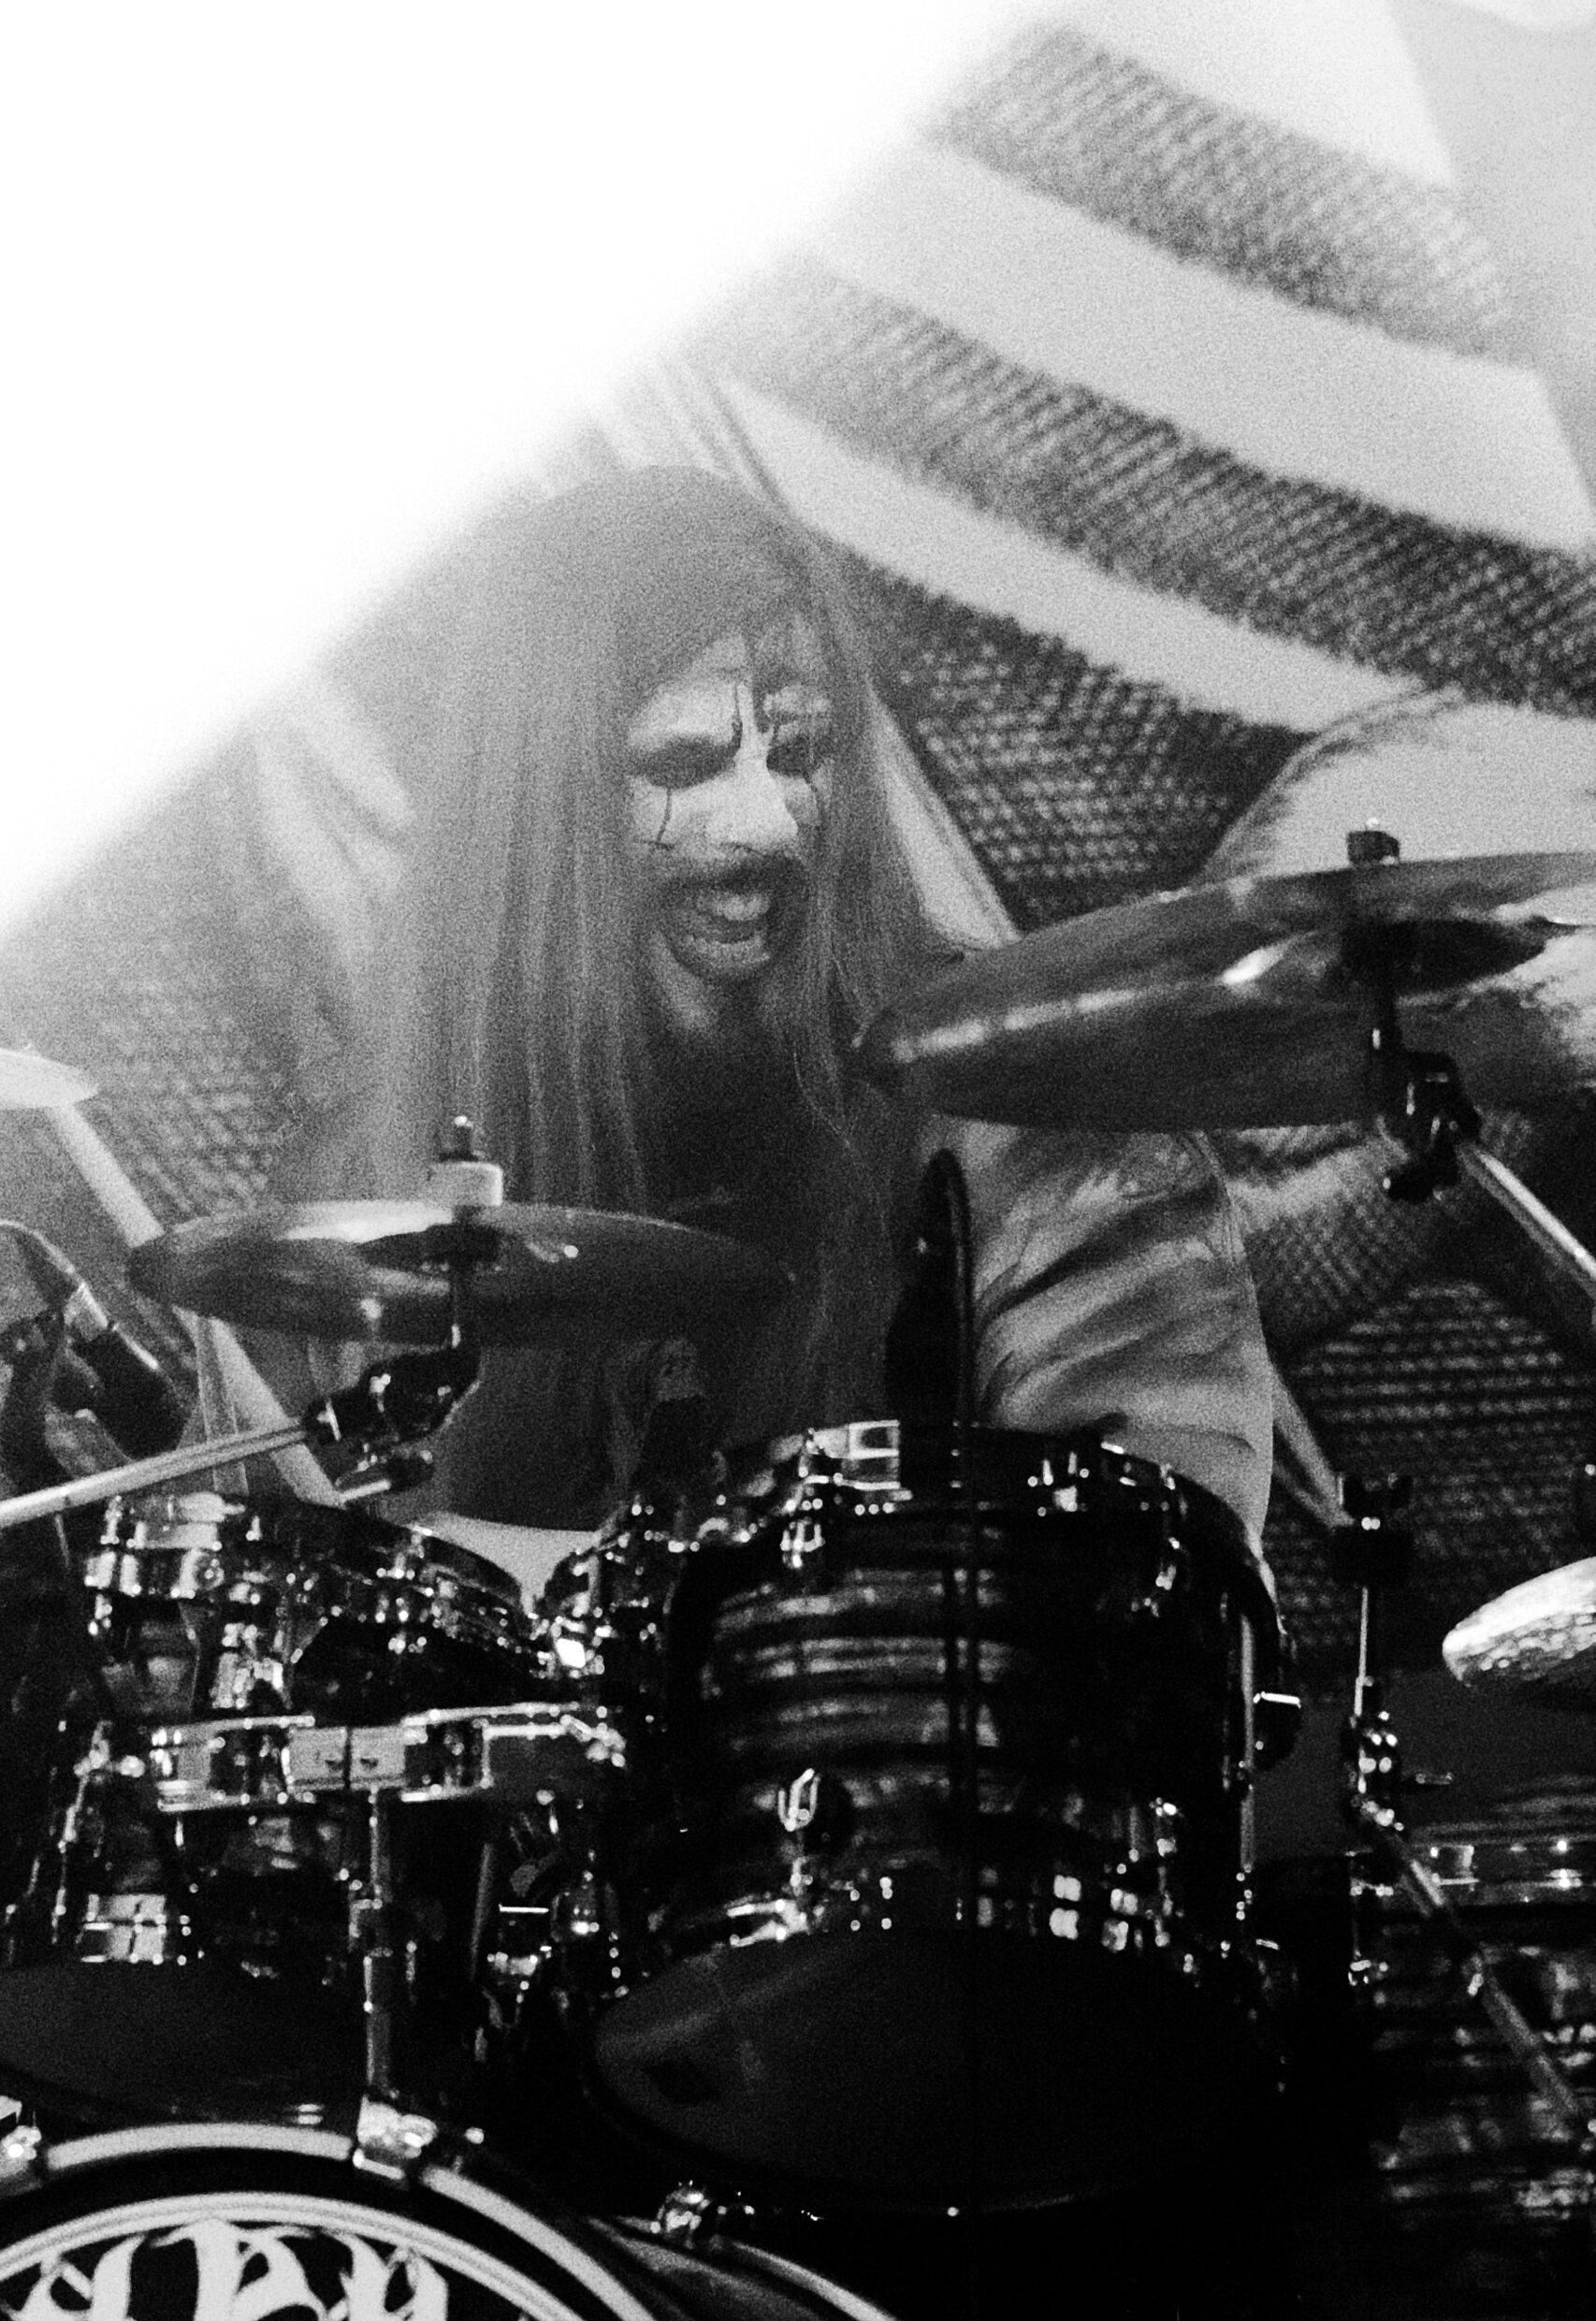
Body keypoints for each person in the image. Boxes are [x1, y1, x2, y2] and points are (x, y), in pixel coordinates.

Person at [283, 465, 1272, 1560]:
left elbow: (1156, 1581)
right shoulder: (370, 1182)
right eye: (681, 762)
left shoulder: (1042, 1115)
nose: (766, 826)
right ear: (530, 813)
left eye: (799, 753)